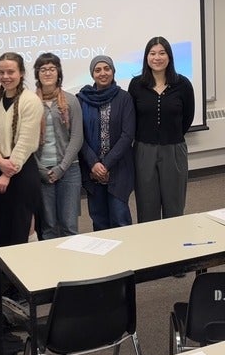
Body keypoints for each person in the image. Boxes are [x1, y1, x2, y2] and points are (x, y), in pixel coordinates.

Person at [128, 36, 195, 223]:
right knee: (146, 205)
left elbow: (188, 117)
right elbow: (132, 118)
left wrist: (170, 136)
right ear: (146, 57)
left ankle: (174, 240)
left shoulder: (183, 84)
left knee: (174, 205)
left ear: (169, 57)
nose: (157, 58)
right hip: (144, 151)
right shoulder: (136, 85)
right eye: (152, 53)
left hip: (174, 150)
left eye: (162, 53)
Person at [0, 52, 43, 248]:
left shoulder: (31, 100)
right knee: (1, 228)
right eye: (1, 72)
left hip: (21, 172)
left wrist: (7, 173)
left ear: (22, 73)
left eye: (10, 72)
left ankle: (28, 267)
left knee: (21, 228)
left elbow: (26, 141)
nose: (5, 76)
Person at [77, 55, 136, 230]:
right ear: (92, 74)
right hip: (92, 170)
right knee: (99, 220)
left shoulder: (124, 98)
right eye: (98, 70)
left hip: (119, 168)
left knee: (120, 219)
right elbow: (79, 136)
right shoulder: (82, 99)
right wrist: (94, 164)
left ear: (113, 71)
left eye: (106, 68)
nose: (103, 73)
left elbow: (127, 135)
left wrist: (106, 165)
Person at [32, 53, 83, 239]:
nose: (47, 73)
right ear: (37, 74)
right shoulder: (30, 102)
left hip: (69, 169)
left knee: (69, 225)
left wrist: (62, 167)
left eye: (52, 69)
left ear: (58, 72)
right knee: (49, 226)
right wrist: (40, 169)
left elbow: (77, 136)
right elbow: (25, 140)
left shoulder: (71, 100)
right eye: (43, 69)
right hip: (41, 171)